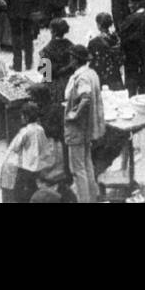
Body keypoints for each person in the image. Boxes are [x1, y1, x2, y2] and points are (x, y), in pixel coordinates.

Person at [63, 43, 105, 204]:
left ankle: (84, 200)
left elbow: (85, 97)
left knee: (77, 168)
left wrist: (73, 114)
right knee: (87, 164)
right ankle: (92, 197)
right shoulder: (91, 73)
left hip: (77, 125)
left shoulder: (46, 52)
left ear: (74, 59)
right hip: (87, 125)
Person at [0, 101, 61, 203]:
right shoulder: (40, 129)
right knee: (32, 187)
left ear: (26, 117)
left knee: (21, 189)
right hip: (37, 166)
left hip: (25, 165)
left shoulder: (25, 131)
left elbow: (15, 147)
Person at [119, 0, 145, 96]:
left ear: (137, 4)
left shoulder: (131, 18)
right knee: (144, 81)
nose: (129, 6)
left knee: (131, 83)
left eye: (130, 3)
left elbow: (122, 35)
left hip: (132, 56)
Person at [87, 13, 123, 91]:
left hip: (99, 73)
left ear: (99, 25)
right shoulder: (117, 38)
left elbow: (89, 58)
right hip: (114, 73)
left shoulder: (94, 41)